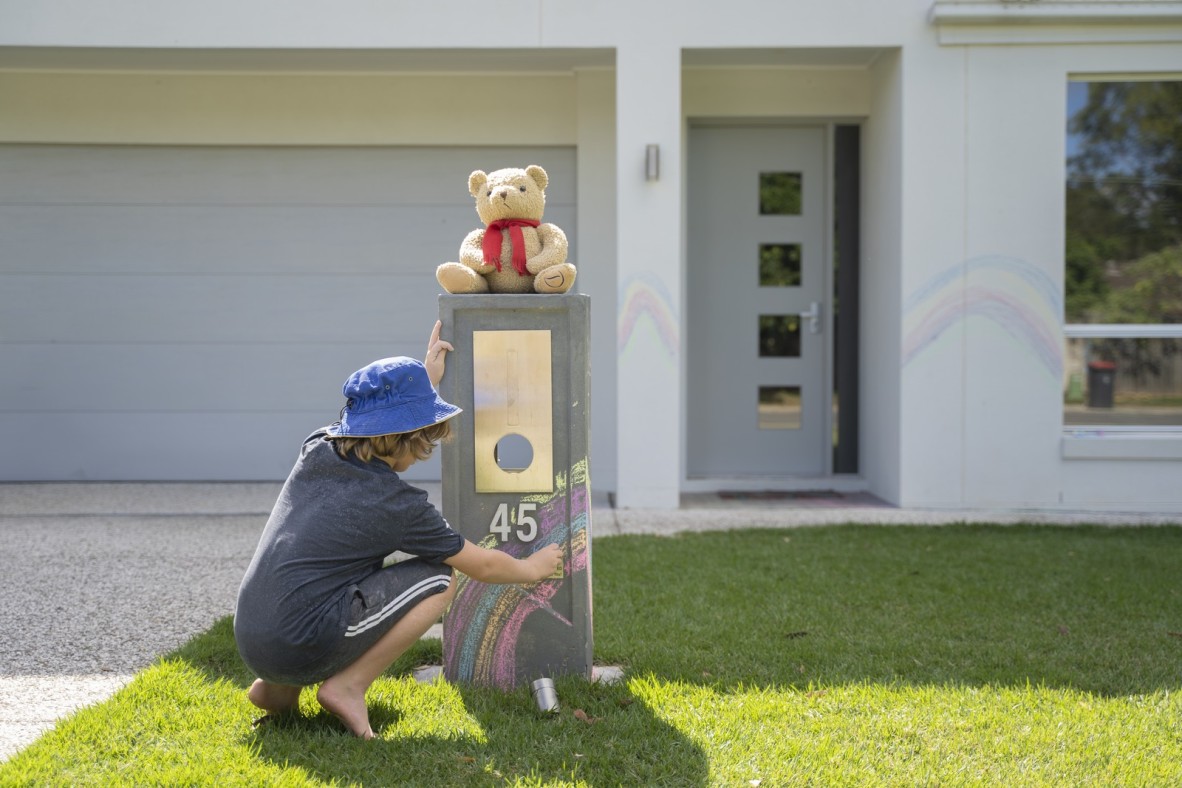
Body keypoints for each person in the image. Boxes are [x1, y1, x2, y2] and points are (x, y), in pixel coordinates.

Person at [233, 320, 562, 739]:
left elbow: (385, 417)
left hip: (252, 637)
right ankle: (347, 687)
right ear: (411, 438)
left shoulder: (317, 448)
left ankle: (278, 688)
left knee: (324, 571)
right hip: (300, 639)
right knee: (440, 578)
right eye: (426, 436)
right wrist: (532, 567)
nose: (427, 447)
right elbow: (481, 564)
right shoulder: (395, 504)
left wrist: (424, 381)